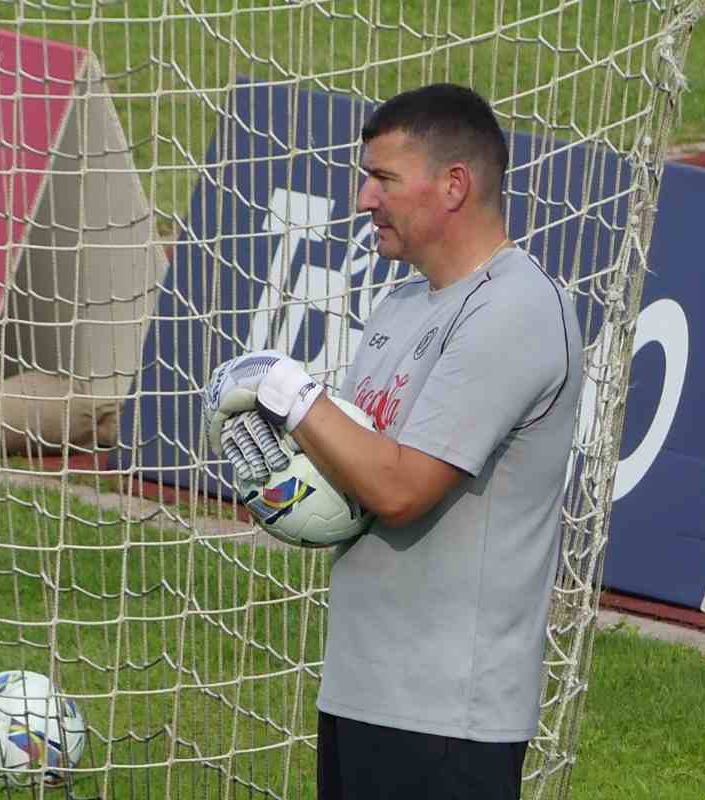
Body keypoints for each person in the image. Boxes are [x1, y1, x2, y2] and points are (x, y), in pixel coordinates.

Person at [202, 83, 584, 800]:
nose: (362, 200)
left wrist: (289, 391)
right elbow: (358, 480)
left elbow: (399, 489)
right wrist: (287, 483)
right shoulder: (401, 304)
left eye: (382, 178)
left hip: (447, 716)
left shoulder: (518, 311)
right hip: (363, 689)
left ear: (453, 186)